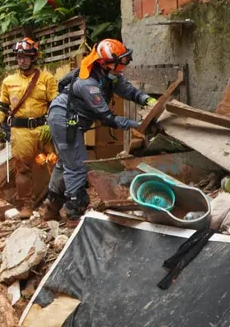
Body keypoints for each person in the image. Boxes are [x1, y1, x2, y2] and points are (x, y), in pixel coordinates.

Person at [43, 39, 156, 225]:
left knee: (65, 162)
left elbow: (127, 90)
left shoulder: (108, 75)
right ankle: (74, 211)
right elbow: (107, 118)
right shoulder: (88, 84)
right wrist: (136, 124)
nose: (123, 67)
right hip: (63, 118)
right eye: (120, 63)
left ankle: (51, 206)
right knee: (77, 165)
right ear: (104, 63)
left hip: (69, 117)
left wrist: (146, 100)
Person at [0, 38, 58, 220]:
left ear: (33, 58)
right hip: (20, 132)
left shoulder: (47, 79)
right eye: (19, 56)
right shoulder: (8, 82)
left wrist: (53, 126)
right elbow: (2, 106)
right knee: (23, 169)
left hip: (44, 129)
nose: (22, 60)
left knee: (55, 164)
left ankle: (57, 204)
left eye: (26, 56)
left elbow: (55, 104)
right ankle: (26, 205)